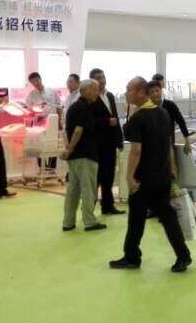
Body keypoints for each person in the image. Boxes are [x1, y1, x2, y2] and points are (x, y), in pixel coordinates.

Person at [109, 77, 191, 273]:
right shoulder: (162, 113)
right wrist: (171, 170)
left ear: (139, 93)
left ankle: (132, 257)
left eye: (128, 89)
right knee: (168, 217)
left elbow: (136, 151)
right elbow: (167, 144)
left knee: (136, 220)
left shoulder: (138, 118)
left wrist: (129, 177)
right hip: (162, 176)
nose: (126, 93)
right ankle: (183, 256)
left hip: (143, 179)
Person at [60, 79, 107, 233]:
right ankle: (89, 221)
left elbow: (66, 130)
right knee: (88, 189)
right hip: (86, 154)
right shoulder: (85, 108)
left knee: (73, 190)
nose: (97, 93)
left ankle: (68, 221)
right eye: (95, 90)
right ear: (86, 90)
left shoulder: (73, 107)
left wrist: (69, 149)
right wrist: (70, 149)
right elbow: (78, 130)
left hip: (75, 157)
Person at [89, 69, 125, 215]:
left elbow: (115, 118)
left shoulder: (109, 95)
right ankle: (89, 210)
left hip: (111, 143)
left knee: (109, 175)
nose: (102, 80)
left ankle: (108, 205)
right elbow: (90, 122)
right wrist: (106, 121)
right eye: (98, 78)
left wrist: (120, 139)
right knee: (97, 177)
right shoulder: (91, 98)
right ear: (92, 81)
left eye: (103, 77)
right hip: (97, 143)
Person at [25, 72, 61, 172]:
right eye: (33, 82)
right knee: (39, 145)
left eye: (37, 80)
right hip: (39, 125)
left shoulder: (51, 91)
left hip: (53, 122)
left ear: (40, 79)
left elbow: (59, 106)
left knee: (53, 144)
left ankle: (51, 169)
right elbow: (27, 108)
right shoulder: (32, 94)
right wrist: (34, 114)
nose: (35, 83)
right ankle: (42, 169)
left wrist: (60, 122)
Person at [149, 80, 192, 155]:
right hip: (152, 148)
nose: (155, 94)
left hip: (168, 147)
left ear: (161, 91)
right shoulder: (147, 109)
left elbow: (181, 122)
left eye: (157, 91)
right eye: (151, 92)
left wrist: (187, 141)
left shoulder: (170, 105)